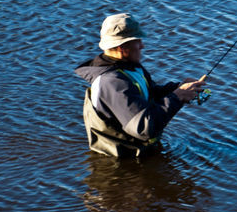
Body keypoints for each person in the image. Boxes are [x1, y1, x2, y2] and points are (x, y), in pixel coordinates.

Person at [75, 13, 206, 157]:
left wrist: (178, 88)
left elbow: (149, 94)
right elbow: (143, 128)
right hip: (121, 163)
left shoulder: (130, 67)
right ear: (121, 47)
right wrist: (177, 97)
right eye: (137, 41)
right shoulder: (112, 82)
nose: (142, 46)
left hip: (140, 153)